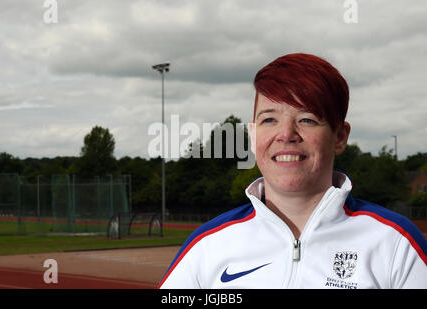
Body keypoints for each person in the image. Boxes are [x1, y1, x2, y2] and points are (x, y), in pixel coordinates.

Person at [159, 53, 427, 289]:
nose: (286, 134)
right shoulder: (207, 246)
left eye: (307, 119)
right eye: (269, 119)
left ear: (340, 137)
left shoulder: (397, 244)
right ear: (253, 136)